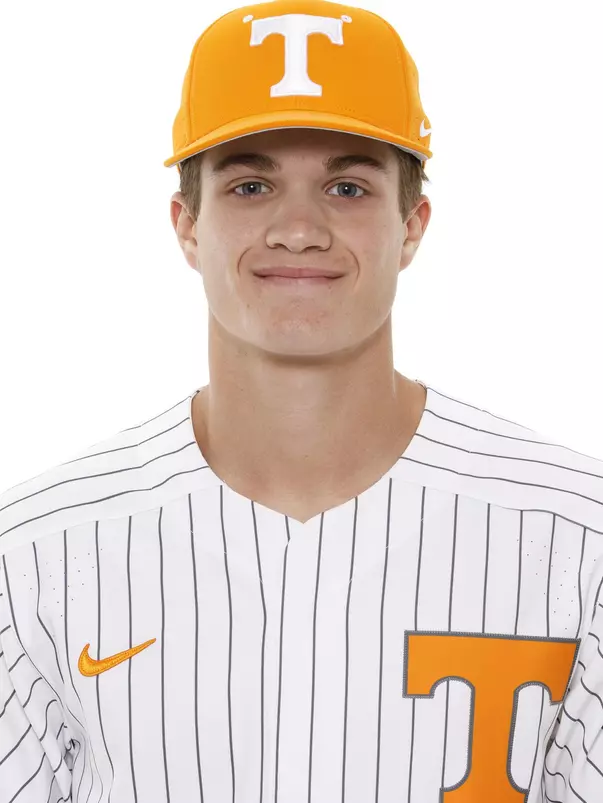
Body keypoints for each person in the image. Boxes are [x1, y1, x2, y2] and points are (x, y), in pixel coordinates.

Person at [1, 0, 603, 800]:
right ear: (186, 224)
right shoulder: (39, 553)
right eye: (250, 184)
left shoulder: (576, 537)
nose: (296, 228)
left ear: (411, 224)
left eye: (347, 186)